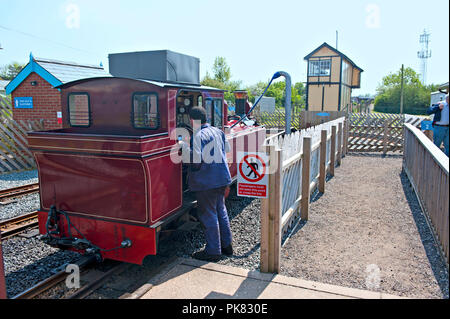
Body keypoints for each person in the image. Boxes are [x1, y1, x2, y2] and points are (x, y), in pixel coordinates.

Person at [179, 107, 233, 262]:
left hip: (207, 181)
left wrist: (183, 147)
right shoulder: (218, 131)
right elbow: (226, 149)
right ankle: (227, 246)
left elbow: (195, 162)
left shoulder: (198, 136)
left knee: (208, 215)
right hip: (222, 178)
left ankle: (213, 251)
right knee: (220, 211)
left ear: (192, 120)